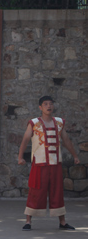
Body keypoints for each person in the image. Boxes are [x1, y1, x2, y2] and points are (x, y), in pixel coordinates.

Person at [17, 96, 80, 230]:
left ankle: (62, 222)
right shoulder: (34, 123)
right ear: (40, 107)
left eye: (51, 104)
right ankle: (28, 221)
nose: (48, 106)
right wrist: (20, 156)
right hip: (39, 164)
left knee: (57, 192)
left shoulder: (59, 123)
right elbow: (25, 139)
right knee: (35, 191)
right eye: (45, 104)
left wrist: (75, 155)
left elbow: (66, 140)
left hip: (55, 163)